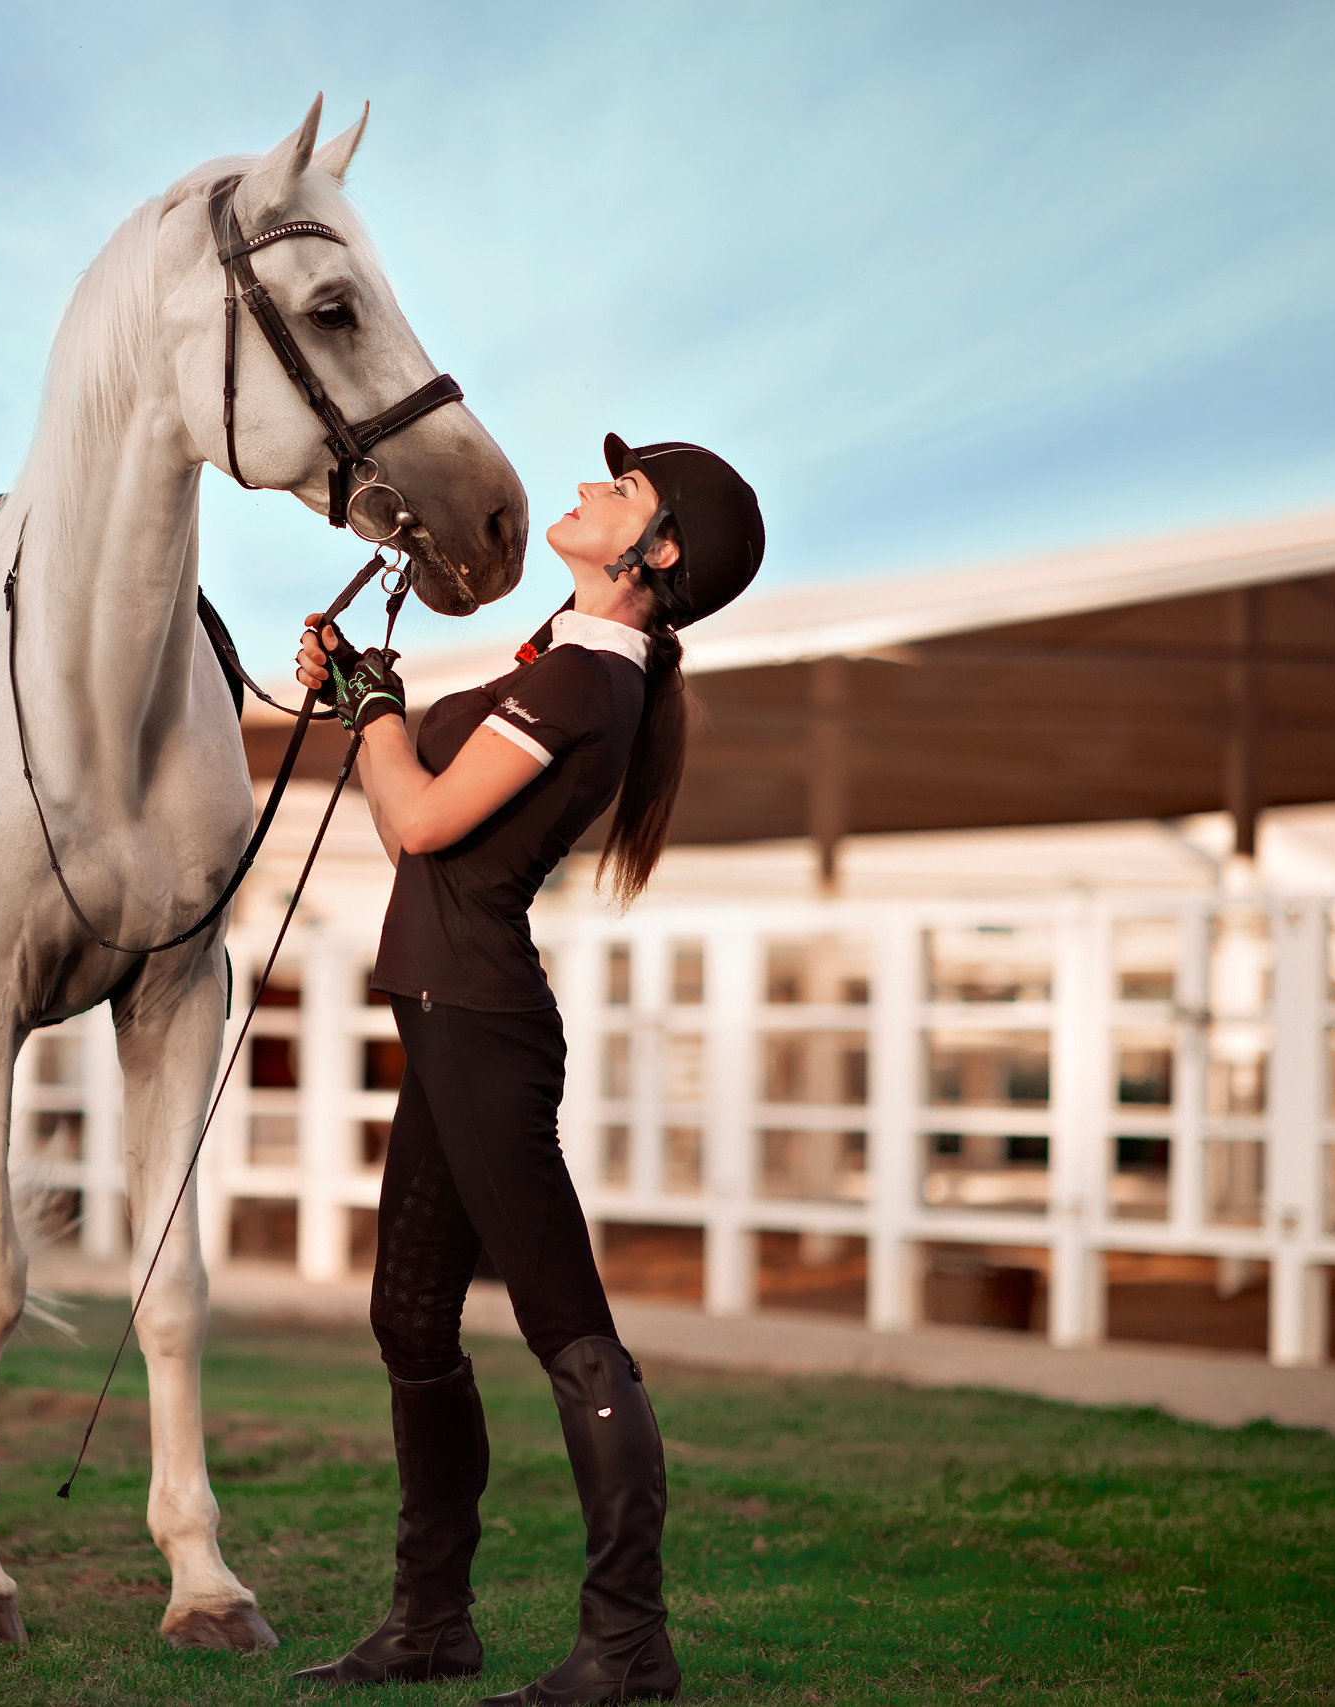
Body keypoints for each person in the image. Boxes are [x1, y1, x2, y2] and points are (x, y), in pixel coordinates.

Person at [287, 436, 764, 1704]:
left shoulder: (579, 688)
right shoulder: (567, 671)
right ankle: (431, 1625)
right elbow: (424, 816)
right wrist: (358, 697)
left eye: (621, 493)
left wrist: (375, 712)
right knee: (409, 1323)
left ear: (653, 555)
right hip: (451, 1016)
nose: (584, 491)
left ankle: (626, 1644)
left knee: (569, 1328)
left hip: (483, 1026)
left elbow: (422, 822)